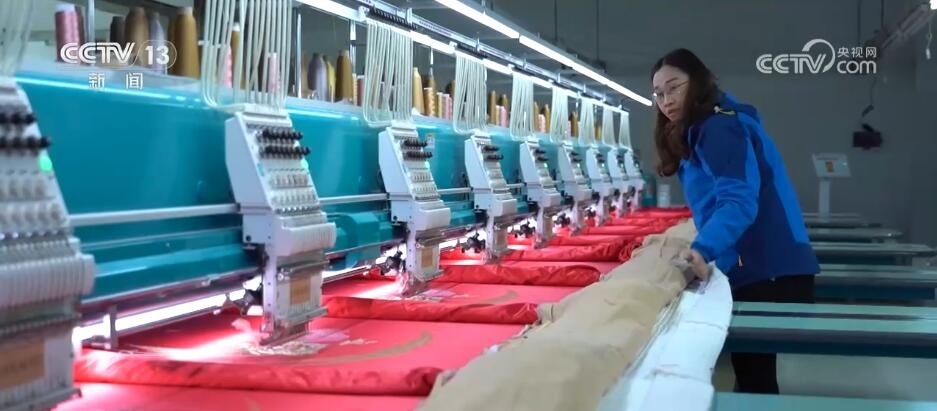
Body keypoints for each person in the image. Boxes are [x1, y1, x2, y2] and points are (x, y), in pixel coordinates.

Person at [649, 48, 820, 394]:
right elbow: (715, 197)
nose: (666, 100)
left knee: (755, 379)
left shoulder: (720, 127)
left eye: (674, 87)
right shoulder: (708, 126)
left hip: (767, 271)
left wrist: (703, 248)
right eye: (658, 93)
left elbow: (739, 200)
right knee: (753, 376)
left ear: (697, 83)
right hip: (765, 266)